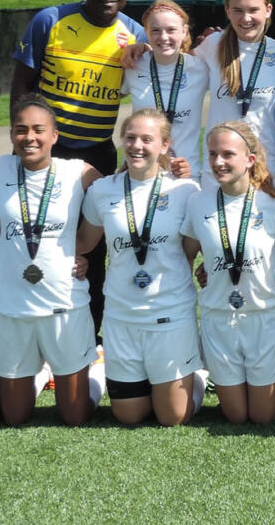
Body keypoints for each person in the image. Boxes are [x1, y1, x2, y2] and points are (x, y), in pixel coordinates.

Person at [10, 0, 147, 335]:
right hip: (49, 151)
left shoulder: (135, 34)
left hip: (98, 152)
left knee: (95, 242)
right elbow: (22, 83)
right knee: (30, 234)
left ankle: (93, 328)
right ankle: (15, 319)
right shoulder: (50, 20)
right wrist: (24, 139)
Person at [77, 109, 205, 426]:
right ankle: (101, 365)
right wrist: (67, 259)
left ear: (164, 145)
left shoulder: (185, 192)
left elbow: (191, 253)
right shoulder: (102, 190)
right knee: (129, 416)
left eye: (147, 139)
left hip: (170, 316)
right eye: (131, 137)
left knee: (172, 417)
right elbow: (84, 243)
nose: (137, 145)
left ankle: (198, 373)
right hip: (121, 318)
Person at [0, 94, 105, 426]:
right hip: (13, 308)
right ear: (12, 135)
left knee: (75, 415)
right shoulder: (0, 168)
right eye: (21, 129)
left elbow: (118, 193)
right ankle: (39, 375)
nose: (29, 137)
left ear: (54, 135)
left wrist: (81, 252)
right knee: (12, 417)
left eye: (39, 129)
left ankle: (101, 368)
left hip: (63, 305)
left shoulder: (77, 172)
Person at [182, 121, 275, 424]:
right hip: (218, 317)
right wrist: (204, 269)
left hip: (264, 317)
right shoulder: (198, 202)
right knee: (235, 416)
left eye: (228, 154)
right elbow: (184, 255)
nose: (218, 162)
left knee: (263, 416)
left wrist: (273, 274)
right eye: (212, 154)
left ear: (249, 159)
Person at [197, 0, 275, 185]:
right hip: (219, 170)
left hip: (269, 169)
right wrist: (143, 47)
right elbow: (172, 60)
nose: (246, 18)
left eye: (253, 10)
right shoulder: (213, 45)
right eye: (238, 10)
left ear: (268, 10)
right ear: (227, 11)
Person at [120, 0, 209, 184]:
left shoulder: (201, 67)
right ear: (146, 32)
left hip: (185, 174)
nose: (163, 37)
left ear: (184, 31)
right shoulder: (132, 65)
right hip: (141, 175)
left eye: (171, 30)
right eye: (155, 30)